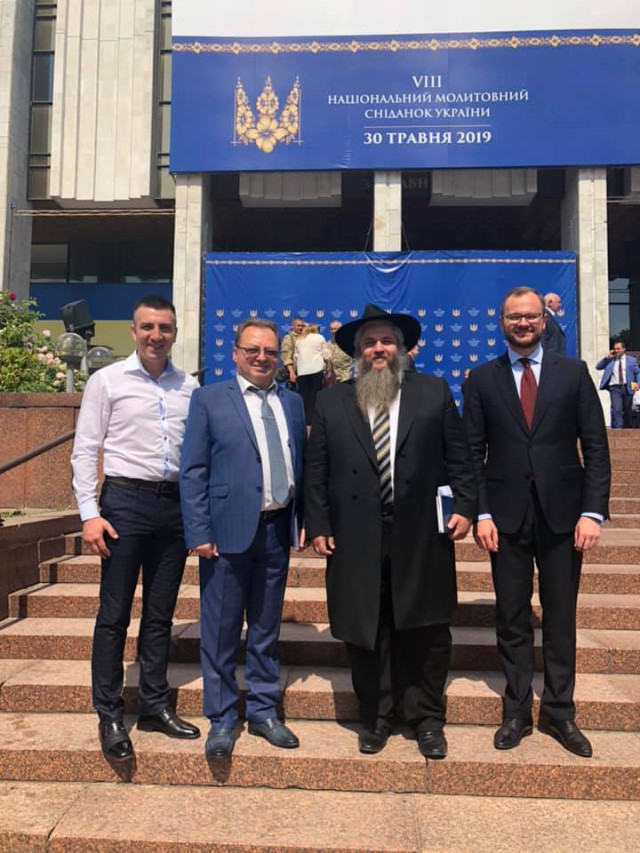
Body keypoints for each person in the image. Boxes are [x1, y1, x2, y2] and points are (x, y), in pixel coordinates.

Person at [305, 303, 476, 759]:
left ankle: (426, 718)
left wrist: (465, 506)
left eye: (386, 341)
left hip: (421, 531)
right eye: (369, 342)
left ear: (402, 348)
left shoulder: (433, 391)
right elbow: (316, 469)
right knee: (367, 627)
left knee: (426, 627)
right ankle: (376, 716)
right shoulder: (332, 401)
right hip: (355, 533)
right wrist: (317, 522)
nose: (378, 349)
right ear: (357, 351)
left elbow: (459, 456)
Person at [463, 286, 610, 758]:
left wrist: (593, 512)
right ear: (501, 323)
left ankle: (560, 711)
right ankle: (516, 711)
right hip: (504, 517)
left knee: (560, 616)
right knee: (511, 616)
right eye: (514, 317)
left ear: (544, 321)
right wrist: (482, 512)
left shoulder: (573, 373)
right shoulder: (482, 379)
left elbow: (596, 445)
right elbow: (471, 453)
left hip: (564, 515)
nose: (523, 323)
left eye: (530, 316)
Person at [70, 295, 201, 762]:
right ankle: (109, 713)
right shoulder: (107, 381)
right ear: (133, 331)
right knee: (114, 615)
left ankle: (153, 705)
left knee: (160, 615)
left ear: (175, 333)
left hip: (173, 509)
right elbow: (85, 449)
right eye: (147, 327)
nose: (155, 336)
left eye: (164, 328)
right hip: (124, 503)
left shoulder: (189, 387)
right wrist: (89, 513)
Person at [179, 318, 306, 759]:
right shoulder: (210, 399)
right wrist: (198, 530)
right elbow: (193, 470)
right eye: (252, 349)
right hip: (225, 533)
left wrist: (302, 519)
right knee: (220, 630)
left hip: (276, 529)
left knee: (266, 628)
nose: (261, 358)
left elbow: (300, 463)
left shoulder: (293, 403)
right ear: (235, 353)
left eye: (269, 351)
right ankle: (221, 716)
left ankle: (264, 710)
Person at [596, 340, 640, 429]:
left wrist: (638, 384)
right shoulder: (610, 360)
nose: (616, 351)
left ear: (623, 349)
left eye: (618, 349)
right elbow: (598, 367)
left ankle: (627, 428)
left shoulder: (631, 360)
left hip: (628, 387)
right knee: (617, 409)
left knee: (627, 409)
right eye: (615, 349)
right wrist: (606, 358)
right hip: (614, 388)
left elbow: (638, 373)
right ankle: (618, 429)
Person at [295, 323, 327, 426]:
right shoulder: (320, 337)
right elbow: (326, 354)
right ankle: (313, 420)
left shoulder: (299, 340)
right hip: (316, 370)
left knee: (303, 396)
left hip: (302, 371)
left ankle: (303, 419)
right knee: (315, 396)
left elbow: (296, 356)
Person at [280, 316, 305, 387]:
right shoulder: (289, 338)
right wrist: (291, 372)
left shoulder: (306, 337)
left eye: (302, 326)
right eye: (298, 326)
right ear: (293, 326)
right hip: (295, 372)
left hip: (305, 373)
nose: (300, 328)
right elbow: (286, 357)